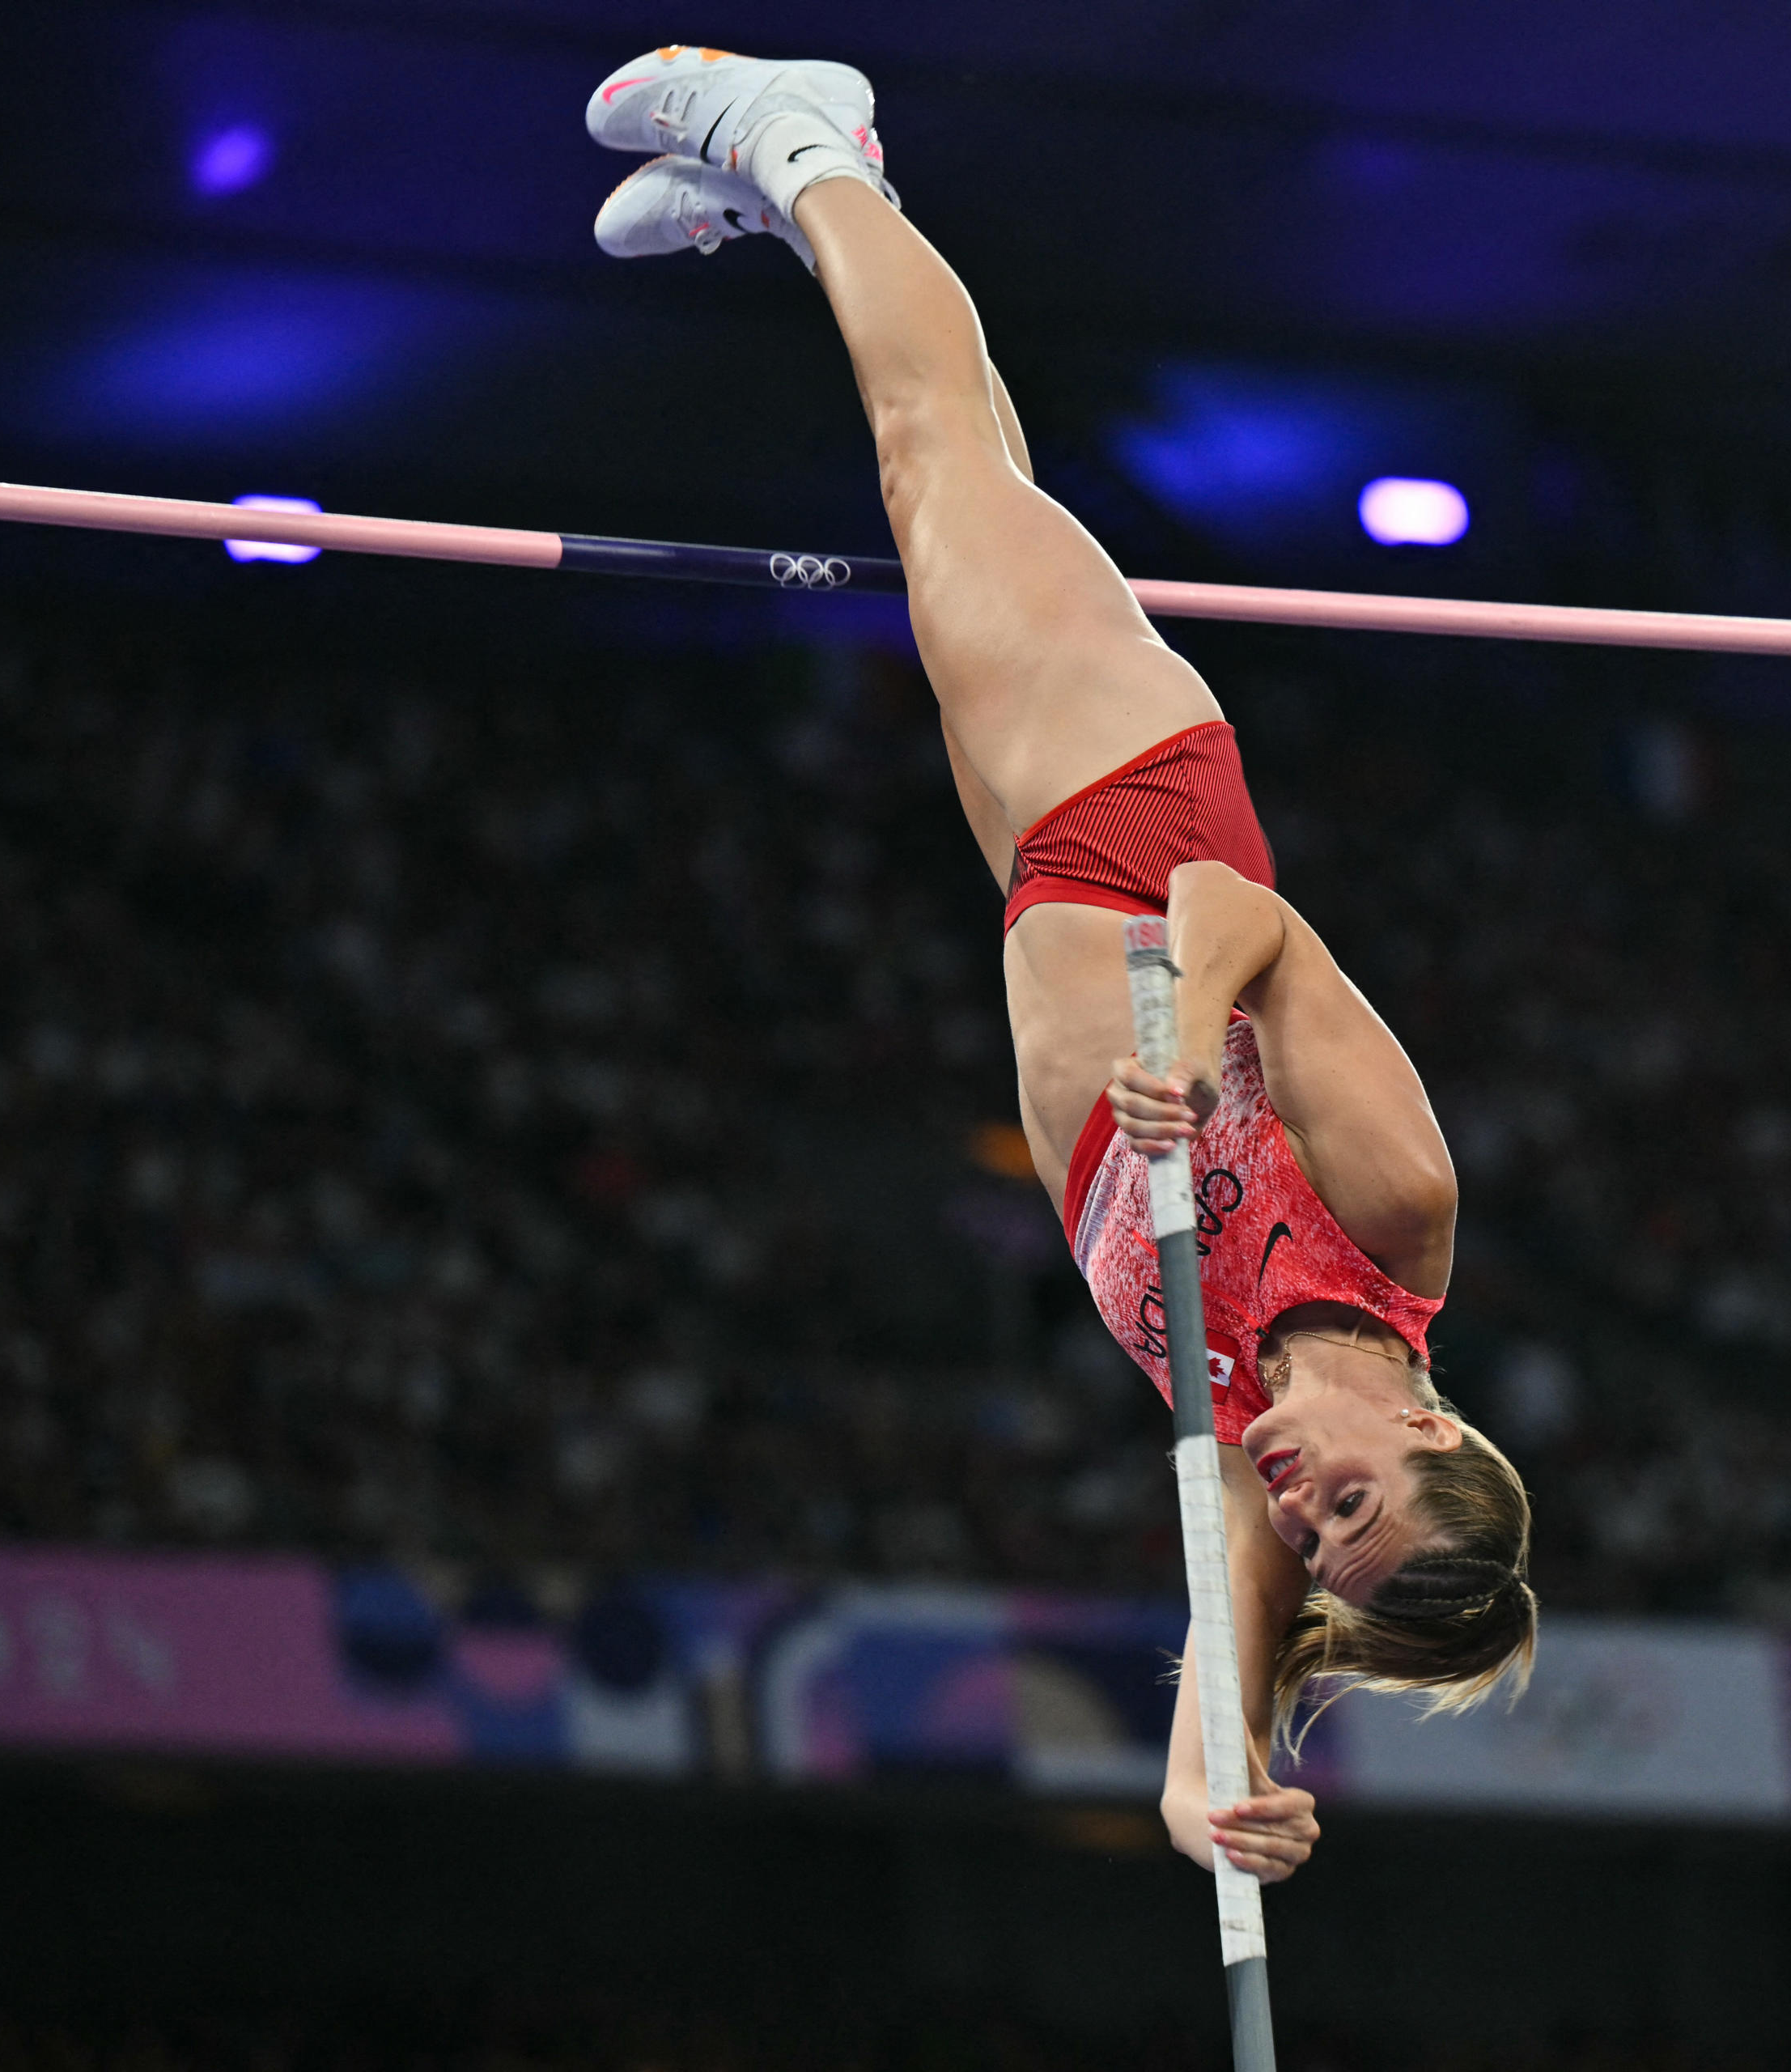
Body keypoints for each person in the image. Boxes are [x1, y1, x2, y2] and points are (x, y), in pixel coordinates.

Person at [584, 48, 1535, 1887]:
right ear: (1424, 1419)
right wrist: (1179, 1023)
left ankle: (805, 202)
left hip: (1035, 887)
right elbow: (1263, 919)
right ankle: (787, 134)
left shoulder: (1264, 1436)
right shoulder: (1401, 1212)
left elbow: (1208, 1732)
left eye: (1318, 1542)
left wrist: (1211, 1808)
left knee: (977, 463)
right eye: (1347, 1496)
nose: (1295, 1504)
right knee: (930, 447)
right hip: (1128, 803)